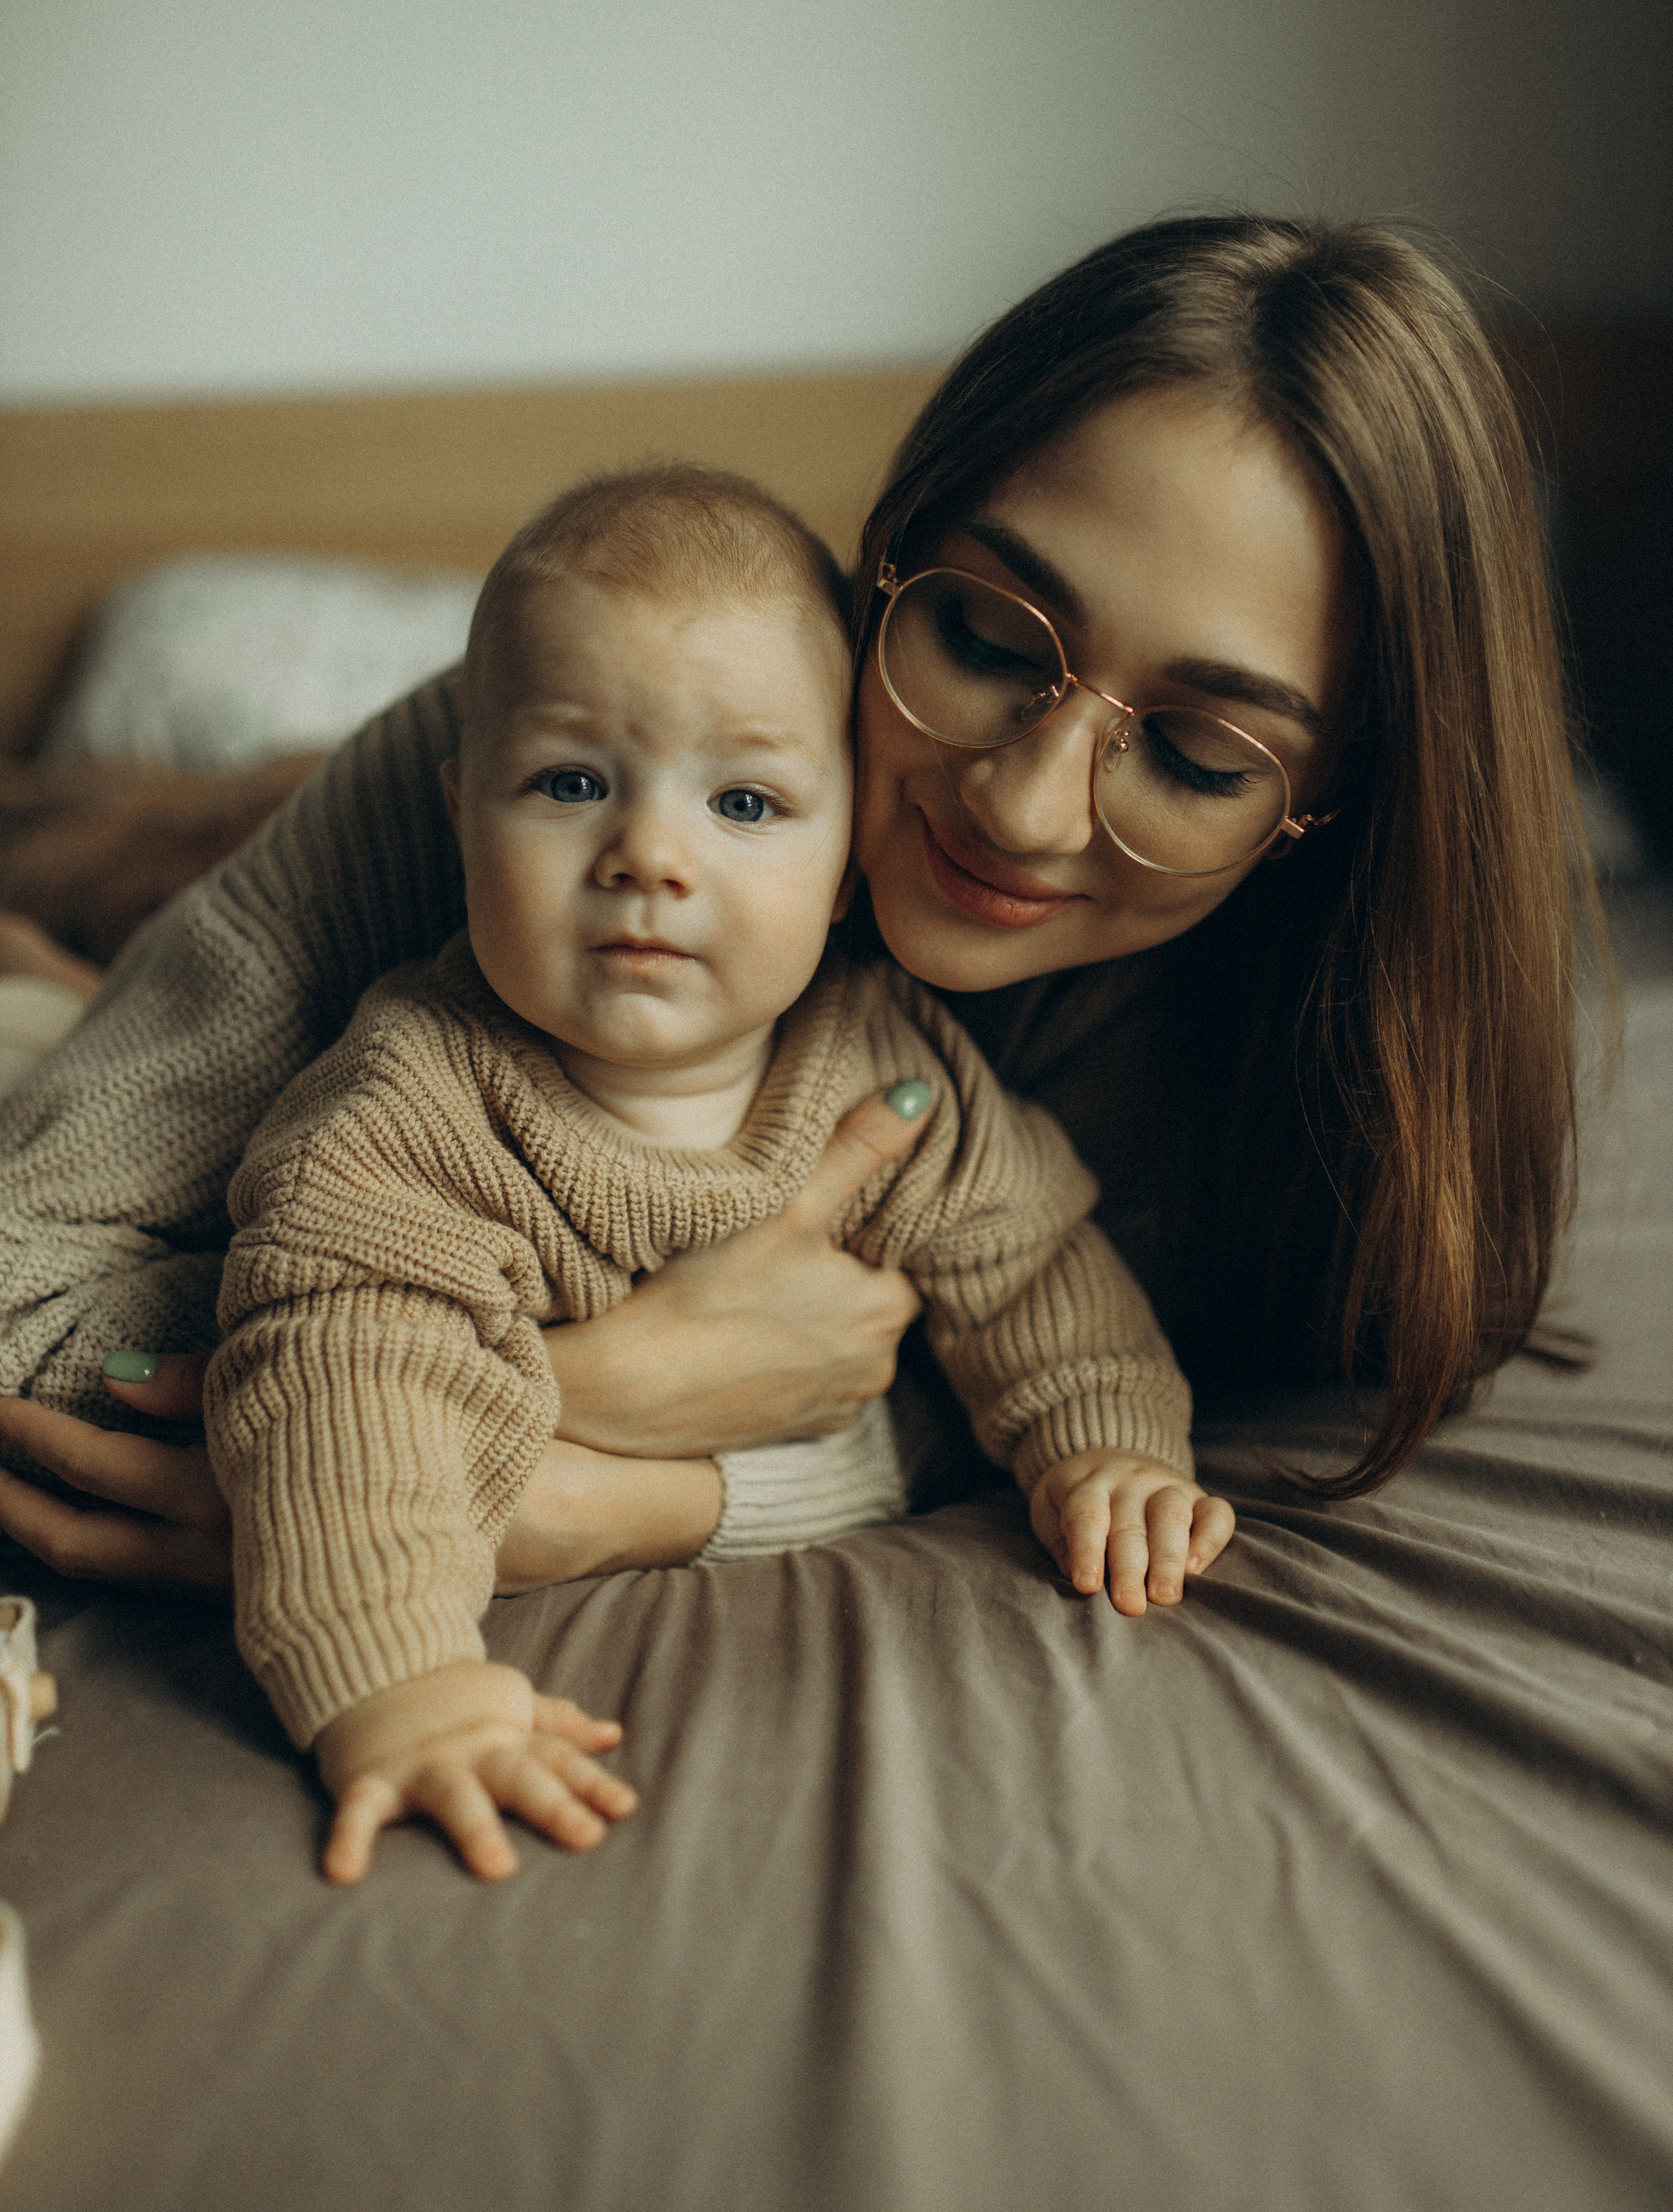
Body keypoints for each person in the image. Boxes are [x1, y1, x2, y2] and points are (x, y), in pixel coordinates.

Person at [0, 214, 1591, 1625]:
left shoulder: (1315, 1089)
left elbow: (1036, 1381)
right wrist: (541, 1406)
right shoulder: (575, 772)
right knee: (103, 889)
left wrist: (623, 1500)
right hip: (248, 906)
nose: (1023, 808)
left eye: (1192, 755)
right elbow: (25, 1291)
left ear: (1336, 812)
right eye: (980, 633)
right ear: (884, 566)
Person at [208, 466, 1219, 1881]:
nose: (647, 857)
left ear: (851, 857)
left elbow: (1031, 1264)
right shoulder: (405, 1120)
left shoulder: (884, 1061)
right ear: (456, 815)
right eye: (570, 785)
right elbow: (351, 1390)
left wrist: (1106, 1444)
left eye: (744, 802)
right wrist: (401, 1683)